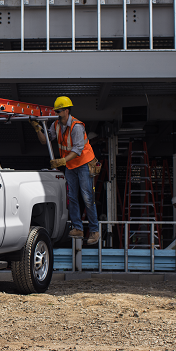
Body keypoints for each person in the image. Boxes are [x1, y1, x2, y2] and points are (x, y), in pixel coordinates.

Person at [30, 96, 100, 245]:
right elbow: (45, 140)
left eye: (59, 111)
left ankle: (94, 230)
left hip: (83, 164)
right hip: (70, 166)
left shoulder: (77, 126)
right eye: (56, 111)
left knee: (87, 197)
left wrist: (62, 161)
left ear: (67, 111)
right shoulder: (56, 125)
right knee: (72, 197)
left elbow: (78, 149)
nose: (57, 113)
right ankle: (78, 228)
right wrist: (37, 128)